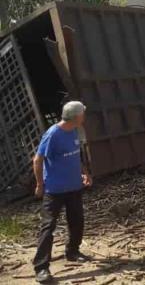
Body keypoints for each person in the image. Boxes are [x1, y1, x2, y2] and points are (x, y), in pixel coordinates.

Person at [31, 101, 93, 284]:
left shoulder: (74, 130)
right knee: (48, 227)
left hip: (74, 187)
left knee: (77, 221)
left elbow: (75, 155)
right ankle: (41, 267)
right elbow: (37, 160)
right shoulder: (53, 134)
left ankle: (72, 251)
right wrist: (40, 185)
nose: (85, 116)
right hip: (55, 190)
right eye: (83, 113)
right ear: (76, 116)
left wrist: (85, 173)